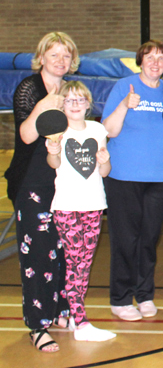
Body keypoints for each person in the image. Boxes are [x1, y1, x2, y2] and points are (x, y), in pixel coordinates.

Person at [5, 32, 77, 352]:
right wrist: (43, 107)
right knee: (37, 252)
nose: (60, 60)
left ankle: (60, 310)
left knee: (61, 248)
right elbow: (24, 134)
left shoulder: (71, 90)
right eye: (54, 55)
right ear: (42, 57)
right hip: (32, 181)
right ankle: (36, 324)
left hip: (63, 180)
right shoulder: (30, 88)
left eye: (66, 55)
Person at [102, 40, 163, 322]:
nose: (156, 62)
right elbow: (109, 131)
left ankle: (145, 293)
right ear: (140, 61)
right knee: (126, 240)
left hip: (159, 178)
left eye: (162, 58)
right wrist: (125, 105)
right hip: (124, 177)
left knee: (149, 240)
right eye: (150, 57)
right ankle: (121, 299)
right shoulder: (124, 86)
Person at [46, 81, 116, 342]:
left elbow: (105, 171)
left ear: (88, 104)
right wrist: (53, 152)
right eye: (69, 100)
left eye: (80, 100)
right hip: (67, 205)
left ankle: (75, 316)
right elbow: (53, 163)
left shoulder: (98, 130)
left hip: (94, 204)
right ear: (62, 104)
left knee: (84, 264)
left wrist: (105, 160)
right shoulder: (57, 131)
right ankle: (82, 321)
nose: (75, 104)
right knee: (76, 262)